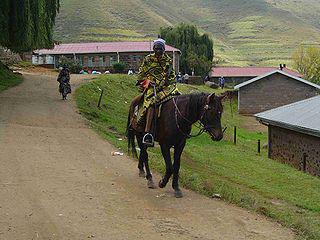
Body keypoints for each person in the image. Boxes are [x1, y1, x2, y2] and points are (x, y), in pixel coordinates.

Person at [136, 38, 180, 146]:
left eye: (160, 49)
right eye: (156, 48)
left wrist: (169, 82)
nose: (158, 51)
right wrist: (147, 82)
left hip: (166, 87)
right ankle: (147, 133)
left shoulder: (168, 60)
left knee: (179, 99)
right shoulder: (148, 59)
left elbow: (171, 75)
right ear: (153, 48)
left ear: (164, 49)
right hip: (152, 87)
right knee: (152, 103)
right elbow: (141, 75)